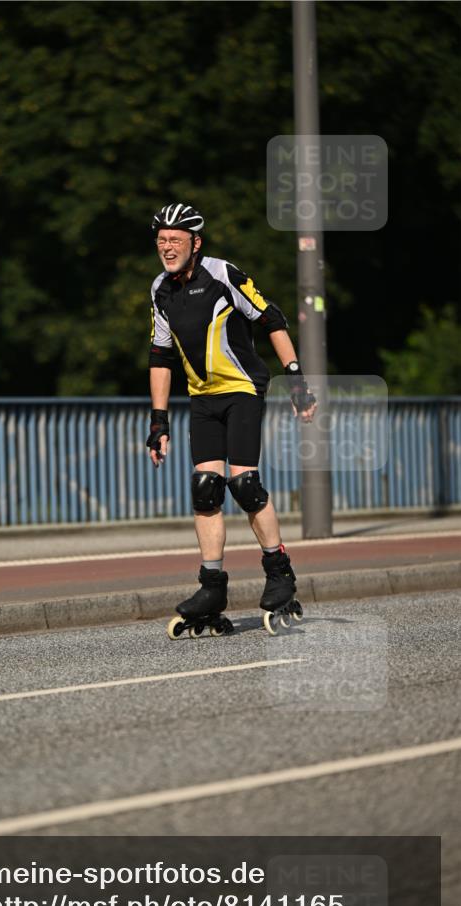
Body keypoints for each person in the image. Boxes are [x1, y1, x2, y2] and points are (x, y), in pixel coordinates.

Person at [146, 203, 317, 633]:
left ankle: (280, 573)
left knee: (244, 483)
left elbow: (271, 318)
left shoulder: (222, 274)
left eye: (176, 241)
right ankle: (212, 587)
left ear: (195, 243)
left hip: (242, 390)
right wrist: (158, 422)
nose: (167, 248)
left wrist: (296, 381)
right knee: (205, 489)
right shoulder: (160, 290)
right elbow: (161, 356)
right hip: (201, 399)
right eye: (162, 240)